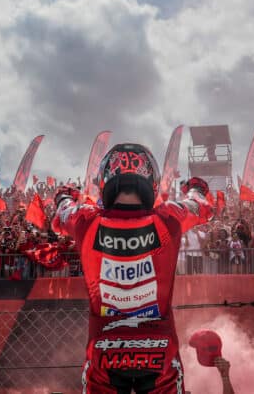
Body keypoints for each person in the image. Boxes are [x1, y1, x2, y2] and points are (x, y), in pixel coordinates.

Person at [52, 143, 213, 394]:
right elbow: (201, 205)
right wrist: (195, 187)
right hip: (160, 350)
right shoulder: (170, 217)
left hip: (103, 352)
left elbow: (61, 212)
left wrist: (64, 195)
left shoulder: (84, 219)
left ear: (106, 180)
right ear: (151, 181)